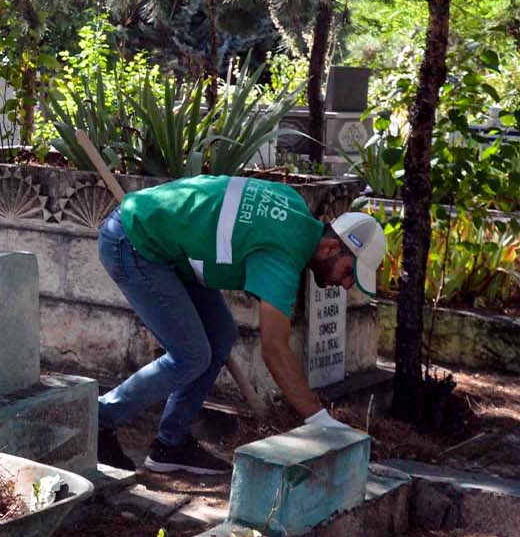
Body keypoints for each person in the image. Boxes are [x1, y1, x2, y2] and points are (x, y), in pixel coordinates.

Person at [96, 174, 386, 475]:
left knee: (220, 335)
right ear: (329, 248)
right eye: (349, 272)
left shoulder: (294, 208)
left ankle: (172, 444)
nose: (345, 284)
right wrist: (321, 422)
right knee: (190, 356)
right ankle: (99, 420)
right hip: (134, 243)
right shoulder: (284, 255)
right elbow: (275, 350)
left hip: (169, 246)